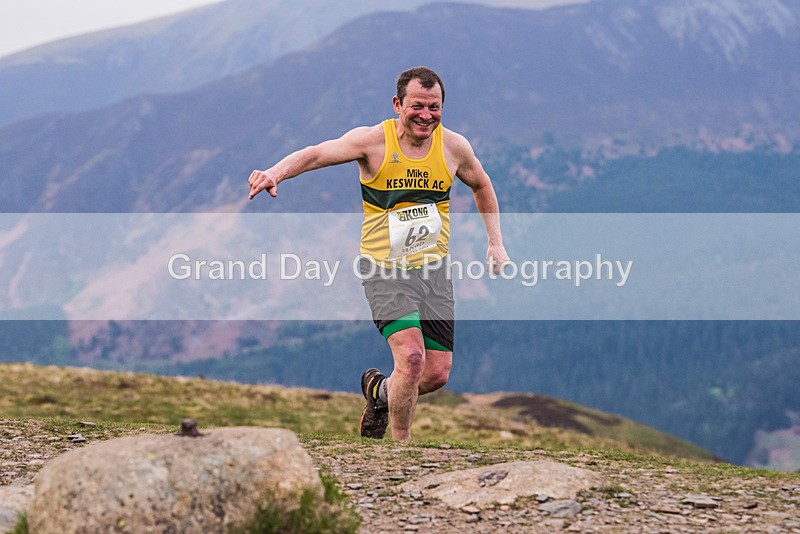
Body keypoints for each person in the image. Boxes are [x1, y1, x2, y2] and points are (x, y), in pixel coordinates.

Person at [248, 66, 509, 440]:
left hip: (434, 271)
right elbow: (316, 154)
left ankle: (380, 392)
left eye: (434, 107)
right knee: (412, 359)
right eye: (417, 106)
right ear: (397, 104)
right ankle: (399, 449)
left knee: (435, 374)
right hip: (384, 270)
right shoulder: (372, 142)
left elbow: (482, 184)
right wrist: (275, 172)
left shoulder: (454, 147)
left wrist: (495, 242)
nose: (426, 115)